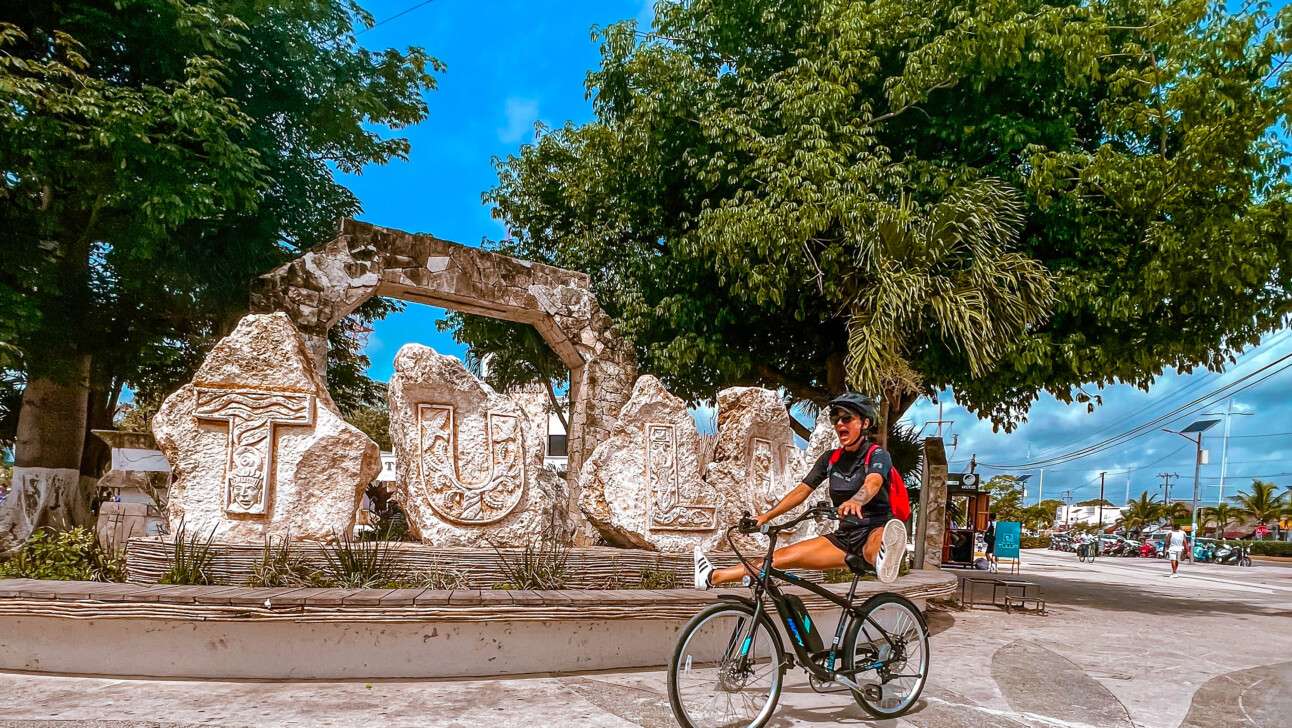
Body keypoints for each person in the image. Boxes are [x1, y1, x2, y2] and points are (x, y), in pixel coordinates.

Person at [694, 393, 908, 588]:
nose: (840, 423)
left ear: (865, 423)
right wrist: (766, 517)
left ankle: (883, 557)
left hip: (874, 528)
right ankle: (712, 576)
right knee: (776, 559)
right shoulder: (830, 459)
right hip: (844, 538)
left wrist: (857, 500)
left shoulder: (877, 455)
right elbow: (801, 492)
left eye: (847, 418)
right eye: (837, 419)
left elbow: (873, 483)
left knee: (876, 544)